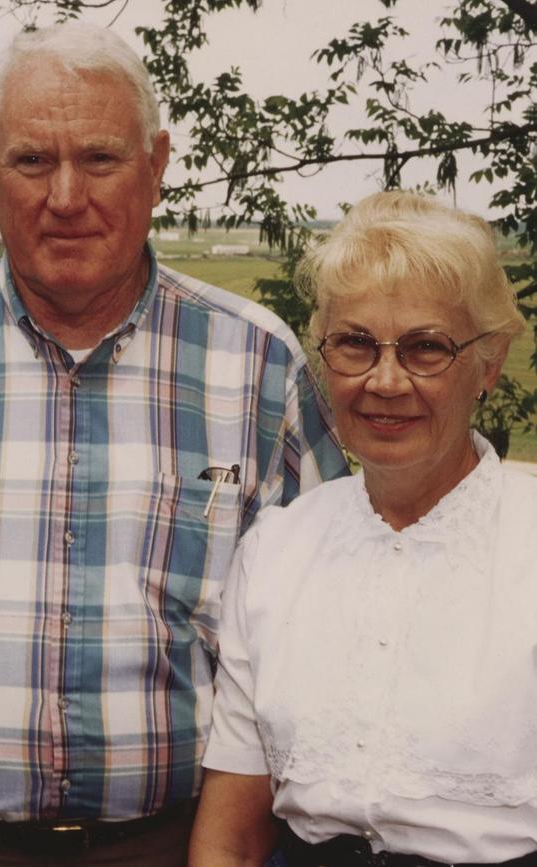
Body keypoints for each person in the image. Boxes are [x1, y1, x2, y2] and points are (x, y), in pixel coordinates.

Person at [0, 22, 348, 867]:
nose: (66, 196)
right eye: (31, 161)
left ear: (157, 163)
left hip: (180, 844)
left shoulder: (256, 363)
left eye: (99, 158)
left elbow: (329, 629)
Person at [189, 190, 537, 867]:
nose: (385, 380)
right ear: (323, 357)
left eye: (425, 348)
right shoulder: (276, 552)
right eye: (354, 343)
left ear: (488, 363)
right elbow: (229, 837)